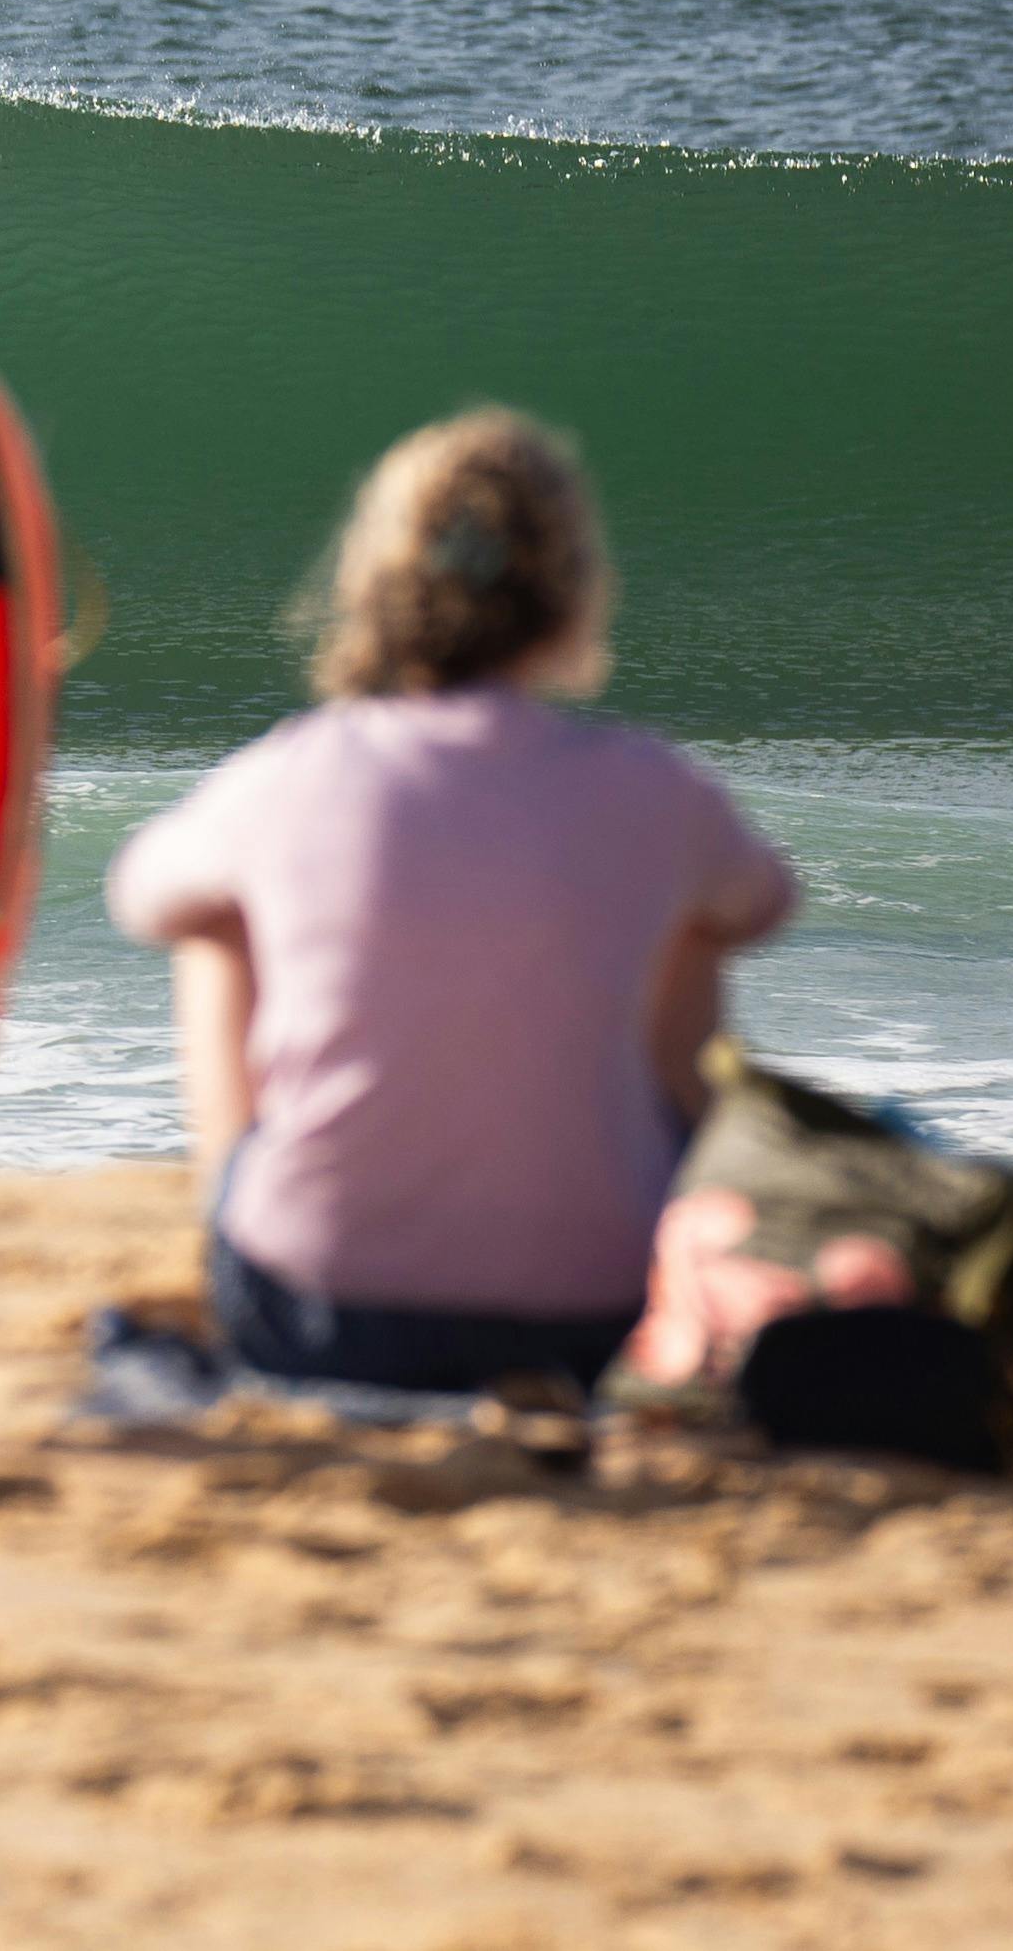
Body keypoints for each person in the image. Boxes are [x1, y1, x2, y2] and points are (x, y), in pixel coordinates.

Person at [106, 411, 797, 1393]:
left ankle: (253, 1200)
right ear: (571, 594)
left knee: (212, 924)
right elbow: (761, 902)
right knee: (693, 918)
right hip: (595, 1316)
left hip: (322, 1313)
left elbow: (142, 896)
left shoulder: (297, 770)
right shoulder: (653, 788)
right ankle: (644, 1198)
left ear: (371, 588)